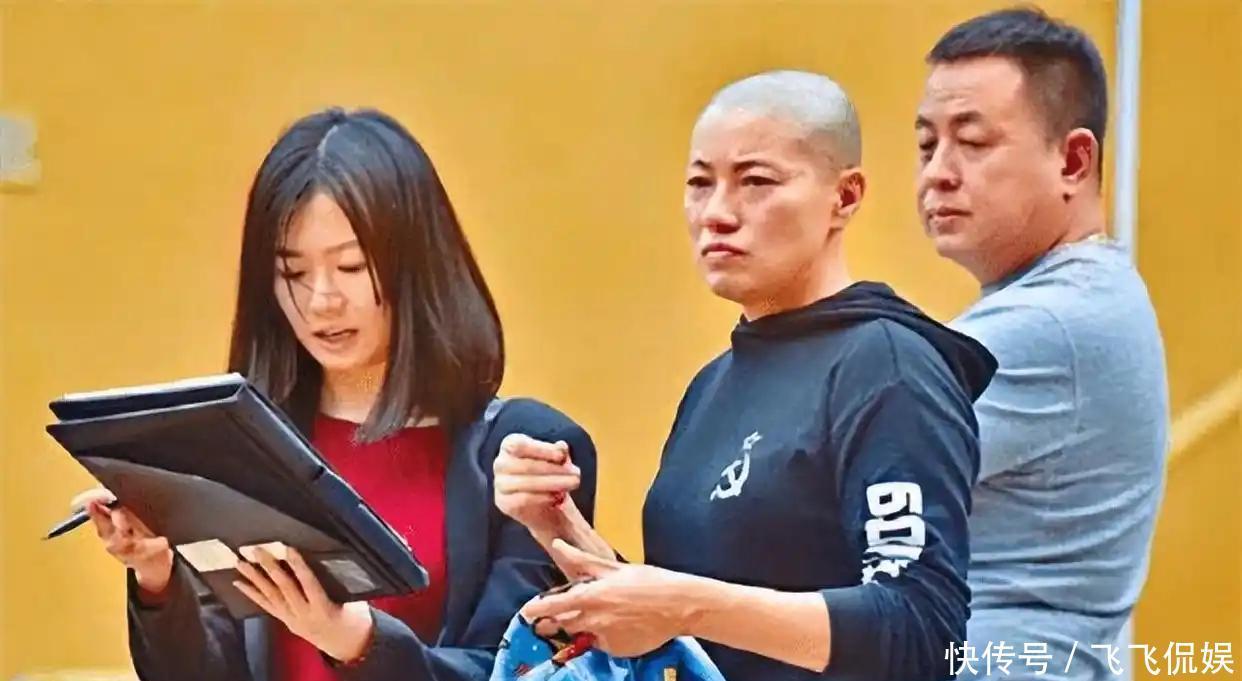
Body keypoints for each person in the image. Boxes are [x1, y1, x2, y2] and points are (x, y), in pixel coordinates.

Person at [494, 70, 997, 681]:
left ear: (845, 196)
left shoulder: (889, 369)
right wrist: (557, 523)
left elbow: (921, 630)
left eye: (756, 182)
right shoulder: (712, 385)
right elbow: (684, 636)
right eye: (700, 183)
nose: (717, 213)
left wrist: (685, 605)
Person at [72, 107, 598, 681]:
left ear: (417, 266)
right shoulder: (241, 446)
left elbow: (518, 668)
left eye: (351, 267)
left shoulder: (522, 452)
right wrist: (157, 574)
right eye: (293, 273)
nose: (322, 300)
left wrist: (354, 638)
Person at [914, 8, 1168, 679]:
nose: (938, 172)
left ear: (1073, 160)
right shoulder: (1074, 300)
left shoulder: (1048, 322)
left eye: (972, 142)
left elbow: (820, 485)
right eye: (927, 145)